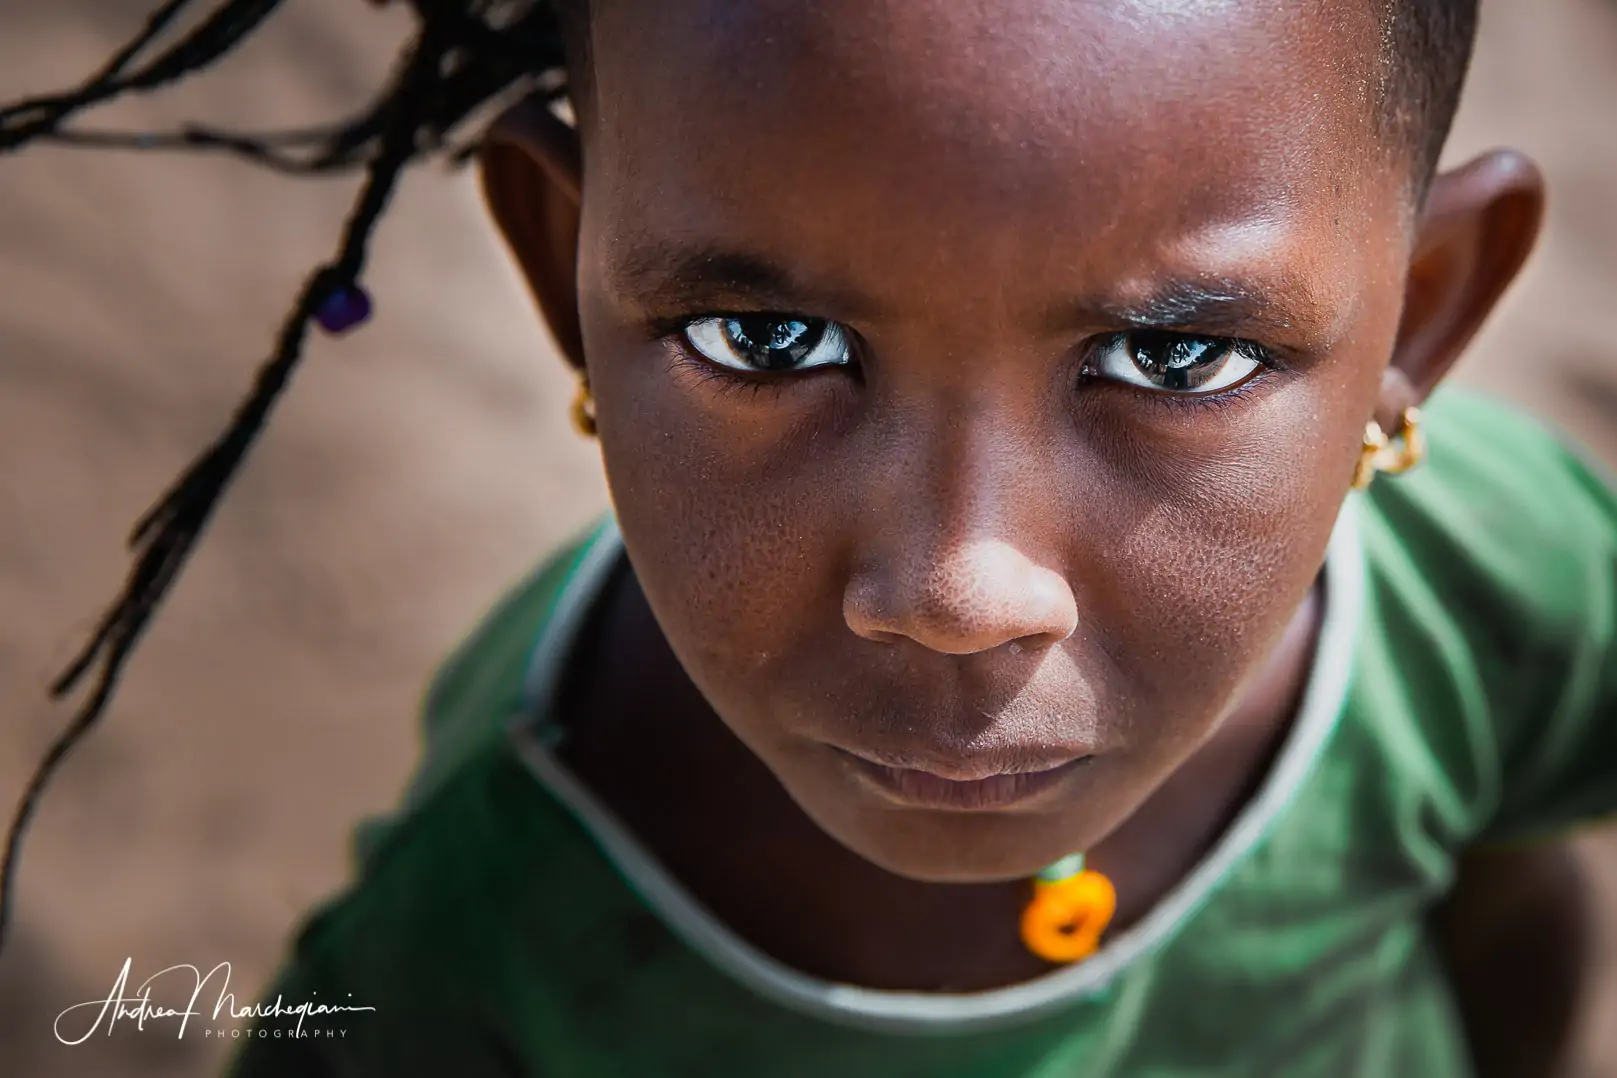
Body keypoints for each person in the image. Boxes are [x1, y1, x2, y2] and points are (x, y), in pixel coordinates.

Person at [2, 1, 1613, 1075]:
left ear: (1428, 307)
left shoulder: (1483, 580)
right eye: (768, 344)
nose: (960, 587)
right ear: (566, 265)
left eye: (1175, 358)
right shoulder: (466, 957)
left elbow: (1516, 918)